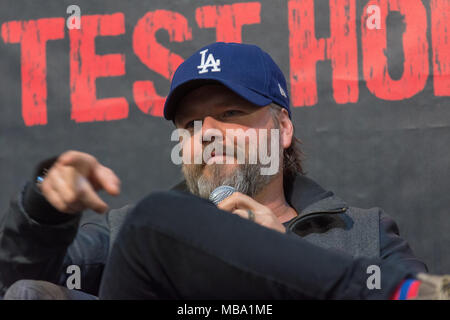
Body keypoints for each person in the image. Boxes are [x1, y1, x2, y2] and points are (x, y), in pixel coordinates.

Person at [0, 42, 448, 300]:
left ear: (283, 127)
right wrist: (44, 210)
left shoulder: (360, 232)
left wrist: (280, 256)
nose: (208, 133)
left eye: (232, 112)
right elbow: (17, 279)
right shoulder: (127, 234)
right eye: (192, 125)